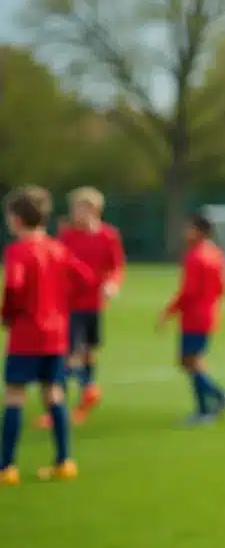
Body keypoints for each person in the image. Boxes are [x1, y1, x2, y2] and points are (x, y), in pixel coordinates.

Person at [1, 186, 95, 485]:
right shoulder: (58, 248)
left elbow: (14, 287)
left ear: (15, 219)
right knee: (53, 393)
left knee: (14, 395)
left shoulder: (18, 251)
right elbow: (85, 278)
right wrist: (58, 300)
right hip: (56, 336)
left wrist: (7, 315)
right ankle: (65, 461)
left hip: (27, 334)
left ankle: (7, 466)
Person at [52, 186, 125, 426]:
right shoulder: (67, 235)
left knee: (86, 351)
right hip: (68, 302)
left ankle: (82, 393)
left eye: (79, 208)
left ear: (93, 210)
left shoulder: (108, 235)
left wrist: (112, 284)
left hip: (93, 302)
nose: (75, 213)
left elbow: (117, 266)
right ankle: (74, 397)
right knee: (68, 352)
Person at [157, 213, 225, 425]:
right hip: (209, 314)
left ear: (199, 231)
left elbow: (187, 292)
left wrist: (168, 312)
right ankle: (212, 401)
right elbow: (223, 287)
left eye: (189, 228)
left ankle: (210, 404)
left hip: (193, 317)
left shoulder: (194, 256)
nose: (185, 232)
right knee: (190, 362)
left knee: (191, 362)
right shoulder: (216, 254)